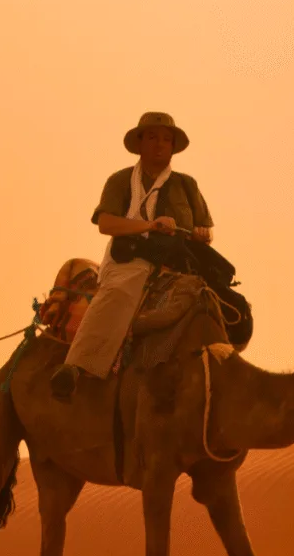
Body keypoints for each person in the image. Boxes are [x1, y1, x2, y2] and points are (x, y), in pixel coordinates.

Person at [52, 111, 217, 401]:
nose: (159, 145)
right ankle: (76, 366)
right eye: (152, 137)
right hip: (131, 259)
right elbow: (106, 224)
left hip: (180, 262)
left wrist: (202, 234)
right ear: (139, 143)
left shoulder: (187, 184)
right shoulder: (120, 181)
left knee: (221, 303)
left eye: (166, 139)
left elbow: (206, 230)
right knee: (119, 291)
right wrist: (149, 226)